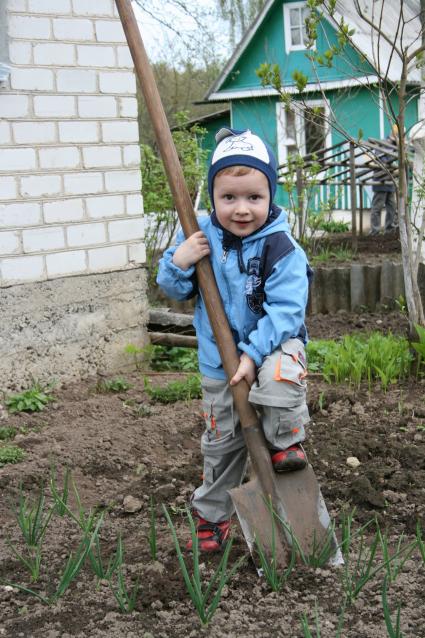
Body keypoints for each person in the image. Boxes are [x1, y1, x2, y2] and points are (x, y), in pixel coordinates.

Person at [157, 128, 311, 552]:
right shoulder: (200, 234)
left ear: (270, 196)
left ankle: (284, 440)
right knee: (221, 446)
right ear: (214, 197)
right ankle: (212, 516)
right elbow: (172, 286)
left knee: (279, 382)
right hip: (216, 363)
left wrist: (251, 353)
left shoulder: (281, 247)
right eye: (229, 198)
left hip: (273, 345)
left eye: (254, 198)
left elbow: (287, 311)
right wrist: (179, 262)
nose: (241, 210)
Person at [369, 124, 399, 235]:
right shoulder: (382, 144)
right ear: (393, 133)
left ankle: (389, 229)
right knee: (377, 207)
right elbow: (380, 160)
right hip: (380, 180)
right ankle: (375, 231)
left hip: (390, 182)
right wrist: (392, 169)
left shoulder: (397, 146)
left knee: (392, 207)